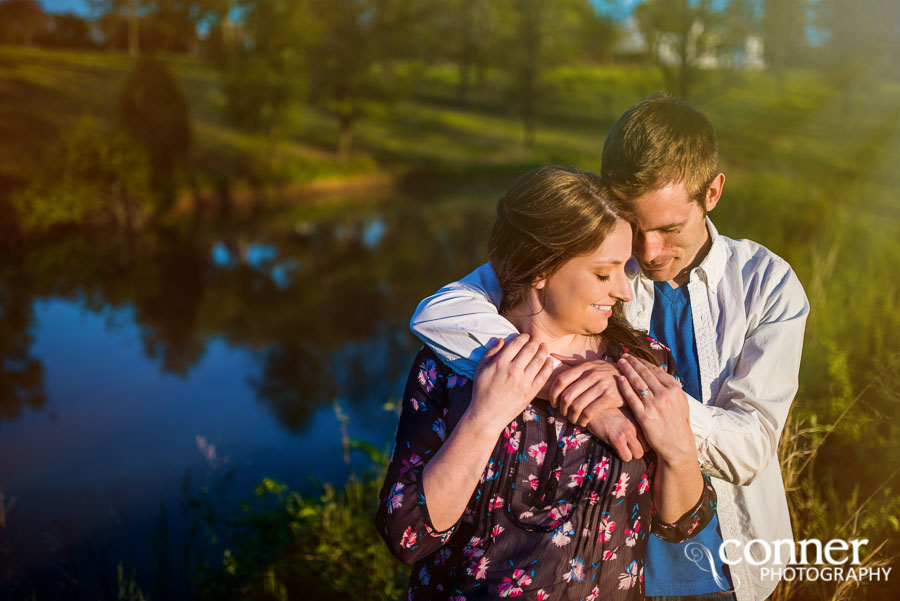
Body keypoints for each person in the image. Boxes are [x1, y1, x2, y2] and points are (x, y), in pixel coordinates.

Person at [409, 95, 809, 601]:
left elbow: (751, 447)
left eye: (669, 229)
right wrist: (553, 378)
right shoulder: (590, 260)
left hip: (724, 566)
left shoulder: (767, 284)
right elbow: (439, 314)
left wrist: (641, 396)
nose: (647, 252)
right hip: (605, 571)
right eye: (637, 228)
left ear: (713, 192)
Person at [376, 165, 717, 600]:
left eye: (623, 268)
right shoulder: (453, 364)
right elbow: (407, 536)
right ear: (540, 269)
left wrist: (679, 446)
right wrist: (485, 417)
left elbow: (680, 524)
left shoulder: (642, 363)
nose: (625, 291)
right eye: (602, 273)